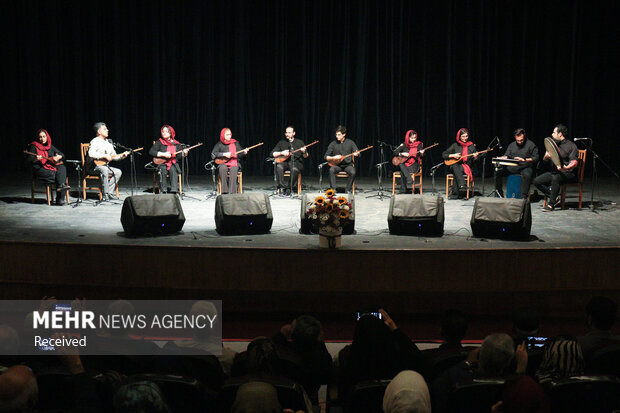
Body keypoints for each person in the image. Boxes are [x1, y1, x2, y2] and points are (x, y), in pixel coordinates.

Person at [533, 124, 579, 211]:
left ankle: (551, 204)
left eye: (554, 132)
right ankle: (555, 198)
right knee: (536, 181)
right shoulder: (553, 145)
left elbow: (574, 162)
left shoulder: (571, 145)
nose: (552, 134)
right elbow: (545, 160)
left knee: (555, 178)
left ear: (560, 134)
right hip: (555, 172)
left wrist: (565, 168)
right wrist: (546, 157)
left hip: (568, 173)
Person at [26, 129, 70, 205]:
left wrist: (59, 157)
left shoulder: (50, 146)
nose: (42, 139)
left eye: (44, 136)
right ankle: (60, 199)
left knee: (62, 168)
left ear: (47, 137)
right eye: (40, 137)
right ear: (38, 138)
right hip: (40, 169)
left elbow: (62, 155)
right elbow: (29, 160)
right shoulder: (34, 146)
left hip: (50, 168)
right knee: (60, 177)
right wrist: (36, 159)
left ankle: (60, 190)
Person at [494, 128, 539, 198]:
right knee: (498, 172)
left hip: (525, 167)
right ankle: (499, 194)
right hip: (513, 167)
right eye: (518, 140)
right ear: (515, 137)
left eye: (521, 140)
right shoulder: (512, 145)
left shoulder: (531, 145)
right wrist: (501, 158)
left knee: (527, 175)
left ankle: (524, 196)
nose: (520, 142)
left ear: (524, 137)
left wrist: (524, 160)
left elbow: (536, 158)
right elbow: (507, 156)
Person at [87, 122, 126, 200]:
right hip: (93, 167)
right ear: (99, 132)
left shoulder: (108, 143)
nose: (107, 130)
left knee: (118, 172)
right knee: (104, 169)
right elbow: (91, 153)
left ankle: (109, 193)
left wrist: (122, 156)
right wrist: (104, 156)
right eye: (105, 129)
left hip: (104, 166)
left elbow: (113, 156)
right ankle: (105, 194)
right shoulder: (95, 141)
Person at [149, 125, 188, 193]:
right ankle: (163, 191)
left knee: (173, 169)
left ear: (170, 133)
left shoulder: (176, 144)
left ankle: (173, 191)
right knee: (163, 169)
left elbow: (178, 156)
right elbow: (151, 152)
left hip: (173, 163)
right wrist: (163, 154)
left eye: (166, 132)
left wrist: (184, 153)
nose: (164, 133)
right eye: (163, 131)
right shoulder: (159, 142)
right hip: (162, 163)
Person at [442, 128, 478, 199]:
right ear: (459, 137)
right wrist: (453, 155)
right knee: (455, 165)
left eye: (466, 136)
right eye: (463, 136)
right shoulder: (455, 145)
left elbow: (476, 161)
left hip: (467, 167)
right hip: (456, 167)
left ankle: (456, 193)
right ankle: (462, 185)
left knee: (456, 168)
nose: (465, 138)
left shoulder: (471, 146)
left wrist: (476, 157)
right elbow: (444, 154)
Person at [271, 126, 308, 195]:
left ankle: (289, 188)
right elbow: (273, 153)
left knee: (294, 168)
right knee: (279, 166)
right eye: (286, 132)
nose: (287, 134)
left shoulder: (299, 142)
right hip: (284, 162)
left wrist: (304, 151)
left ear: (294, 133)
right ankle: (282, 186)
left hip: (296, 163)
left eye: (289, 132)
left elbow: (305, 156)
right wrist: (281, 153)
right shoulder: (282, 142)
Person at [211, 128, 247, 194]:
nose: (229, 136)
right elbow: (214, 154)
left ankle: (232, 191)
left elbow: (240, 154)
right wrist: (224, 154)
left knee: (234, 168)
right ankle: (224, 191)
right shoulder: (219, 144)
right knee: (223, 168)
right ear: (223, 135)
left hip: (235, 162)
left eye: (230, 134)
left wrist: (244, 152)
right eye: (227, 135)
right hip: (223, 163)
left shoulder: (235, 143)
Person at [324, 125, 359, 193]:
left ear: (344, 134)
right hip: (337, 165)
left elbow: (357, 153)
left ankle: (348, 189)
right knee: (331, 170)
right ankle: (333, 189)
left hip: (348, 165)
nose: (337, 136)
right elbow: (326, 157)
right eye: (336, 134)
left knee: (353, 172)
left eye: (339, 135)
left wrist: (356, 154)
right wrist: (334, 157)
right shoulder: (333, 144)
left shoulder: (350, 142)